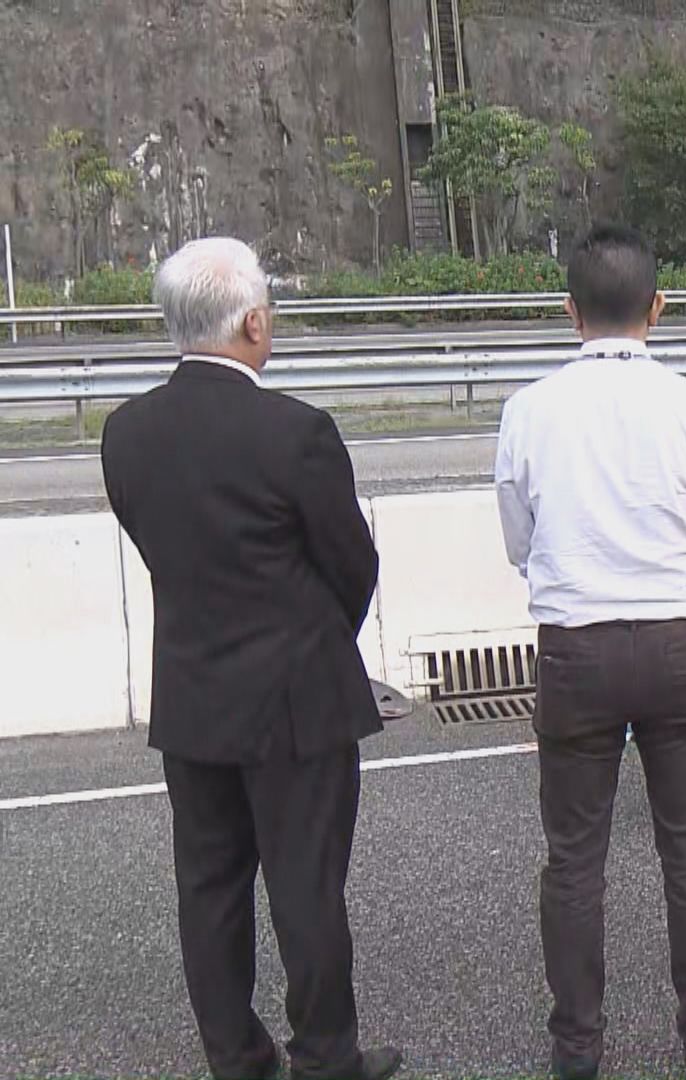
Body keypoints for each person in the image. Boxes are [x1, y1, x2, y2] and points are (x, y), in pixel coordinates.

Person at [99, 237, 402, 1080]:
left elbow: (158, 545)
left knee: (209, 886)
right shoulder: (296, 431)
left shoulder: (125, 432)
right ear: (255, 322)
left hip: (192, 695)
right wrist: (314, 636)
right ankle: (326, 1055)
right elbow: (352, 563)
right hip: (296, 700)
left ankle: (236, 1056)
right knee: (306, 887)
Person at [495, 226, 686, 1080]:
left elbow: (519, 541)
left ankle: (577, 1048)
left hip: (576, 647)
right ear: (659, 307)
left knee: (573, 858)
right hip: (681, 643)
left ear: (569, 311)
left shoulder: (528, 409)